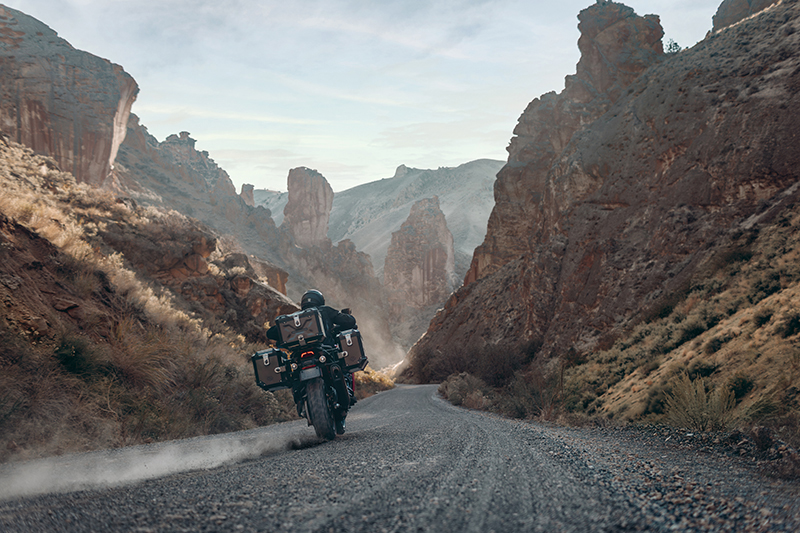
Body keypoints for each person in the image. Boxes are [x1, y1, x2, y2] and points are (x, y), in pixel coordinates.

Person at [266, 289, 358, 405]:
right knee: (343, 364)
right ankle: (349, 392)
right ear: (320, 301)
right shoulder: (325, 310)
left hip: (298, 356)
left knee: (293, 375)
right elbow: (349, 321)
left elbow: (270, 333)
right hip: (325, 350)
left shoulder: (293, 318)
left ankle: (300, 400)